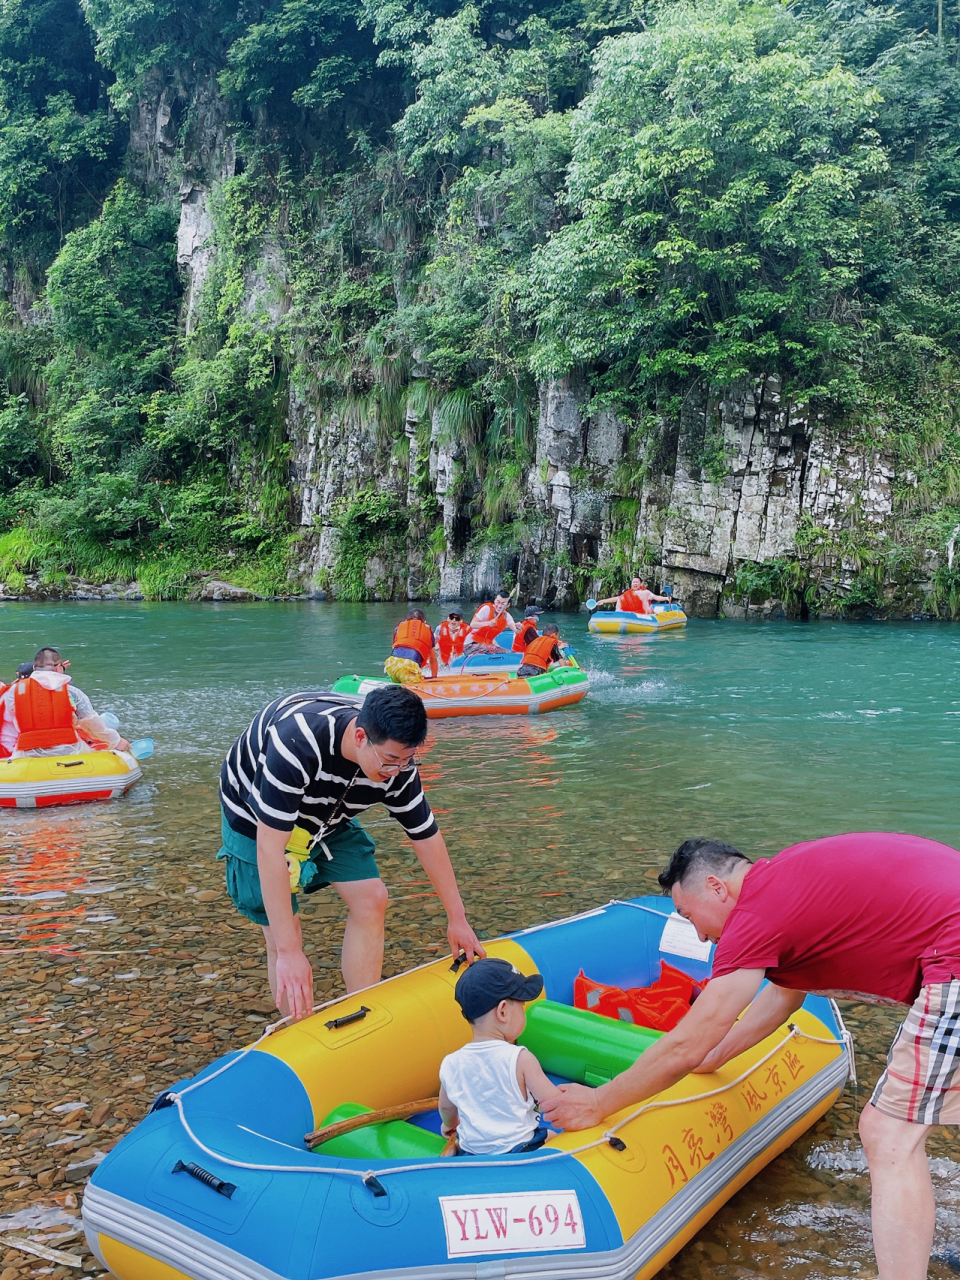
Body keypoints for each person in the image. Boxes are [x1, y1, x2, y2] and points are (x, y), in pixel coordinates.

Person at [541, 833, 960, 1280]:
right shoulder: (789, 887)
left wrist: (597, 1102)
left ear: (716, 887)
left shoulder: (757, 913)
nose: (699, 935)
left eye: (688, 915)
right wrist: (716, 1055)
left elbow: (687, 1042)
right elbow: (782, 1000)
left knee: (888, 1134)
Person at [218, 683, 484, 1012]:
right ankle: (300, 1035)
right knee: (284, 932)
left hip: (329, 810)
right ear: (360, 737)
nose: (393, 774)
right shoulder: (296, 741)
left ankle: (363, 1012)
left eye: (405, 761)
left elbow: (425, 835)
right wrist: (290, 953)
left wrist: (457, 918)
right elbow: (270, 848)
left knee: (372, 898)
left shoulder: (397, 765)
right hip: (256, 816)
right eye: (389, 761)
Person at [439, 957, 559, 1155]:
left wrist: (449, 1125)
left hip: (472, 1154)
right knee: (553, 1136)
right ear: (503, 1011)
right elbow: (554, 1103)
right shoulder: (521, 1058)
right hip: (520, 1150)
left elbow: (445, 1107)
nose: (523, 1011)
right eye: (521, 1007)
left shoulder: (450, 1063)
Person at [0, 647, 130, 759]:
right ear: (58, 667)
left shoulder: (14, 692)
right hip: (69, 750)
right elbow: (92, 723)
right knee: (98, 746)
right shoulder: (72, 692)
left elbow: (16, 716)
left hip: (27, 752)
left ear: (35, 668)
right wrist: (116, 741)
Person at [384, 609, 438, 685]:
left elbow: (395, 647)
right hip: (409, 666)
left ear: (406, 620)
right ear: (424, 622)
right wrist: (434, 678)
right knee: (413, 692)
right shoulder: (428, 630)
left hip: (391, 664)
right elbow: (433, 658)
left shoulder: (399, 628)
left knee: (400, 677)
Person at [463, 590, 520, 655]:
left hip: (485, 644)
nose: (499, 606)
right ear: (494, 601)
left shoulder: (507, 616)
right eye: (498, 602)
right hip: (469, 645)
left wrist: (518, 627)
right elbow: (472, 624)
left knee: (505, 652)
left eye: (503, 604)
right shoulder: (486, 609)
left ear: (508, 605)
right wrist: (488, 623)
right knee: (493, 649)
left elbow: (516, 631)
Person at [595, 577, 671, 615]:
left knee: (649, 609)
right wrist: (603, 601)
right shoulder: (627, 594)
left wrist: (666, 598)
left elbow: (656, 597)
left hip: (643, 615)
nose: (635, 584)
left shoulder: (646, 592)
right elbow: (617, 598)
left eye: (637, 582)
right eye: (633, 582)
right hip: (631, 615)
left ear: (641, 584)